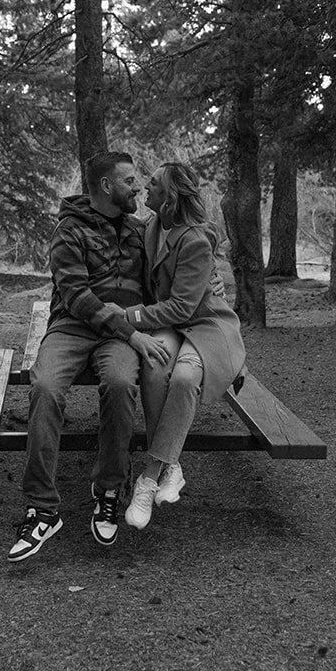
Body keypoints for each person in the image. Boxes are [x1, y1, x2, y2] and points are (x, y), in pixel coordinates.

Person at [8, 150, 171, 563]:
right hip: (74, 326)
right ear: (105, 186)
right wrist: (131, 334)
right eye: (130, 181)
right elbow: (76, 296)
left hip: (122, 334)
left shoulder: (139, 231)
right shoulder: (69, 231)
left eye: (138, 181)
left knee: (119, 384)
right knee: (44, 386)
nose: (137, 187)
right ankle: (42, 507)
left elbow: (162, 282)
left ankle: (109, 489)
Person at [121, 161, 246, 530]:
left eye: (154, 184)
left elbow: (182, 305)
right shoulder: (151, 226)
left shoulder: (193, 239)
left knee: (184, 378)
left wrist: (129, 318)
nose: (146, 187)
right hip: (171, 324)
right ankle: (172, 467)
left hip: (206, 324)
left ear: (171, 196)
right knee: (156, 367)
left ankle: (148, 476)